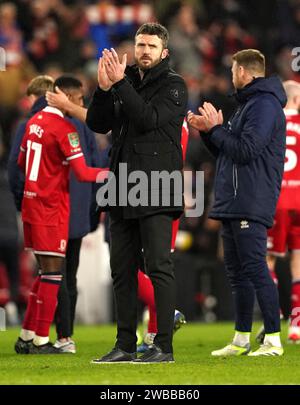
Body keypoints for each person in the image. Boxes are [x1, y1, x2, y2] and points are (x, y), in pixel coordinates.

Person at [46, 88, 189, 353]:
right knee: (143, 266)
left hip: (144, 193)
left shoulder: (153, 116)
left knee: (144, 267)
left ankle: (164, 317)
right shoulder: (172, 118)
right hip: (149, 193)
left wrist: (69, 105)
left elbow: (114, 125)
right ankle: (150, 334)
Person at [86, 22, 188, 363]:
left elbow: (146, 118)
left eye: (151, 46)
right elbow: (98, 124)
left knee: (159, 266)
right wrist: (102, 91)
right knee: (121, 268)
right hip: (122, 184)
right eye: (140, 44)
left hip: (158, 184)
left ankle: (164, 346)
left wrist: (118, 85)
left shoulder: (175, 86)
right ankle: (125, 344)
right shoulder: (123, 80)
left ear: (164, 52)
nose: (144, 51)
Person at [188, 49, 287, 356]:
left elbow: (246, 151)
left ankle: (273, 339)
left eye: (233, 70)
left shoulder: (265, 105)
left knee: (255, 267)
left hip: (251, 198)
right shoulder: (248, 106)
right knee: (237, 272)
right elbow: (228, 152)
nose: (231, 76)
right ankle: (241, 337)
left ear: (244, 72)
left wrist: (217, 129)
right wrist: (209, 133)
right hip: (234, 198)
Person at [14, 89, 107, 354]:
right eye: (79, 100)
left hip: (31, 206)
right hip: (51, 208)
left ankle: (26, 335)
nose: (80, 106)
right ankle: (42, 340)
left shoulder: (34, 122)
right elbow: (82, 172)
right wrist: (115, 174)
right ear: (67, 98)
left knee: (44, 272)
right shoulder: (65, 129)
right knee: (54, 273)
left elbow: (21, 162)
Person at [256, 81, 300, 344]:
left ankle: (272, 319)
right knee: (298, 264)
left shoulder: (272, 122)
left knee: (267, 261)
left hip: (277, 200)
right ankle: (297, 325)